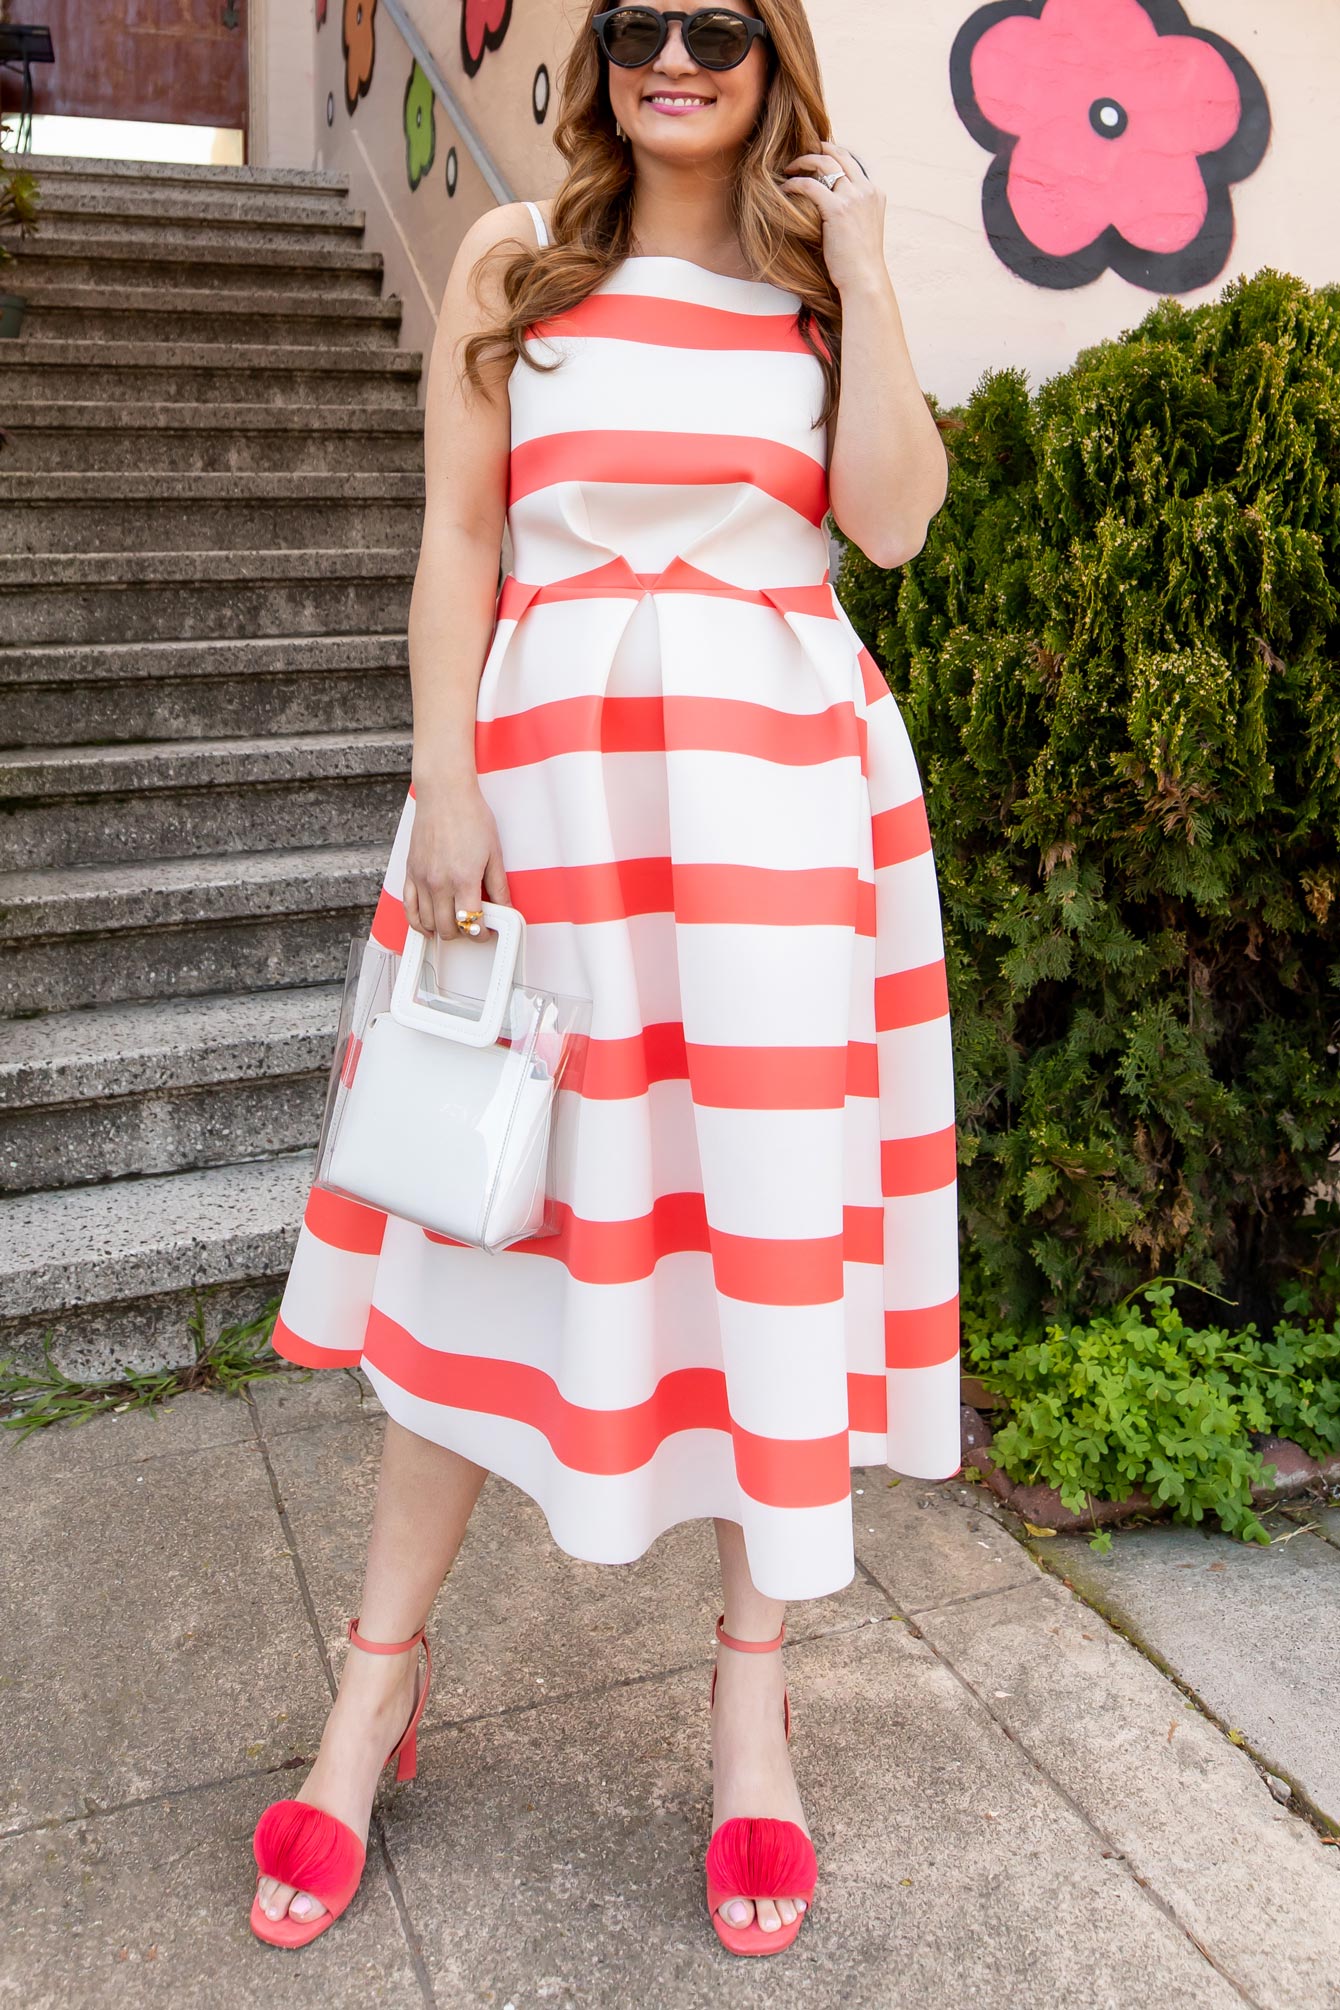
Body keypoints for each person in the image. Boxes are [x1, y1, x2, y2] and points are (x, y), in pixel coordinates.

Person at [251, 0, 959, 1958]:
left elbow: (888, 521)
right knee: (482, 1232)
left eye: (713, 23)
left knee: (762, 1243)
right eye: (634, 19)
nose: (672, 53)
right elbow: (459, 541)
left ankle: (749, 1699)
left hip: (779, 827)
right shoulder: (514, 261)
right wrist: (444, 786)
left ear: (768, 55)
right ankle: (373, 1685)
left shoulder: (824, 279)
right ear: (596, 55)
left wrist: (879, 271)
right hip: (545, 811)